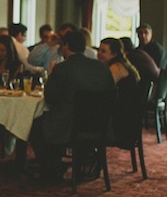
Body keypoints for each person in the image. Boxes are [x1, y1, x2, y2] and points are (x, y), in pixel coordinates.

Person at [30, 30, 115, 182]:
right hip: (99, 124)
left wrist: (52, 74)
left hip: (69, 127)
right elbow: (112, 94)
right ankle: (82, 162)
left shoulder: (62, 68)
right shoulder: (102, 67)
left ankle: (51, 167)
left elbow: (50, 98)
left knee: (35, 125)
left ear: (66, 46)